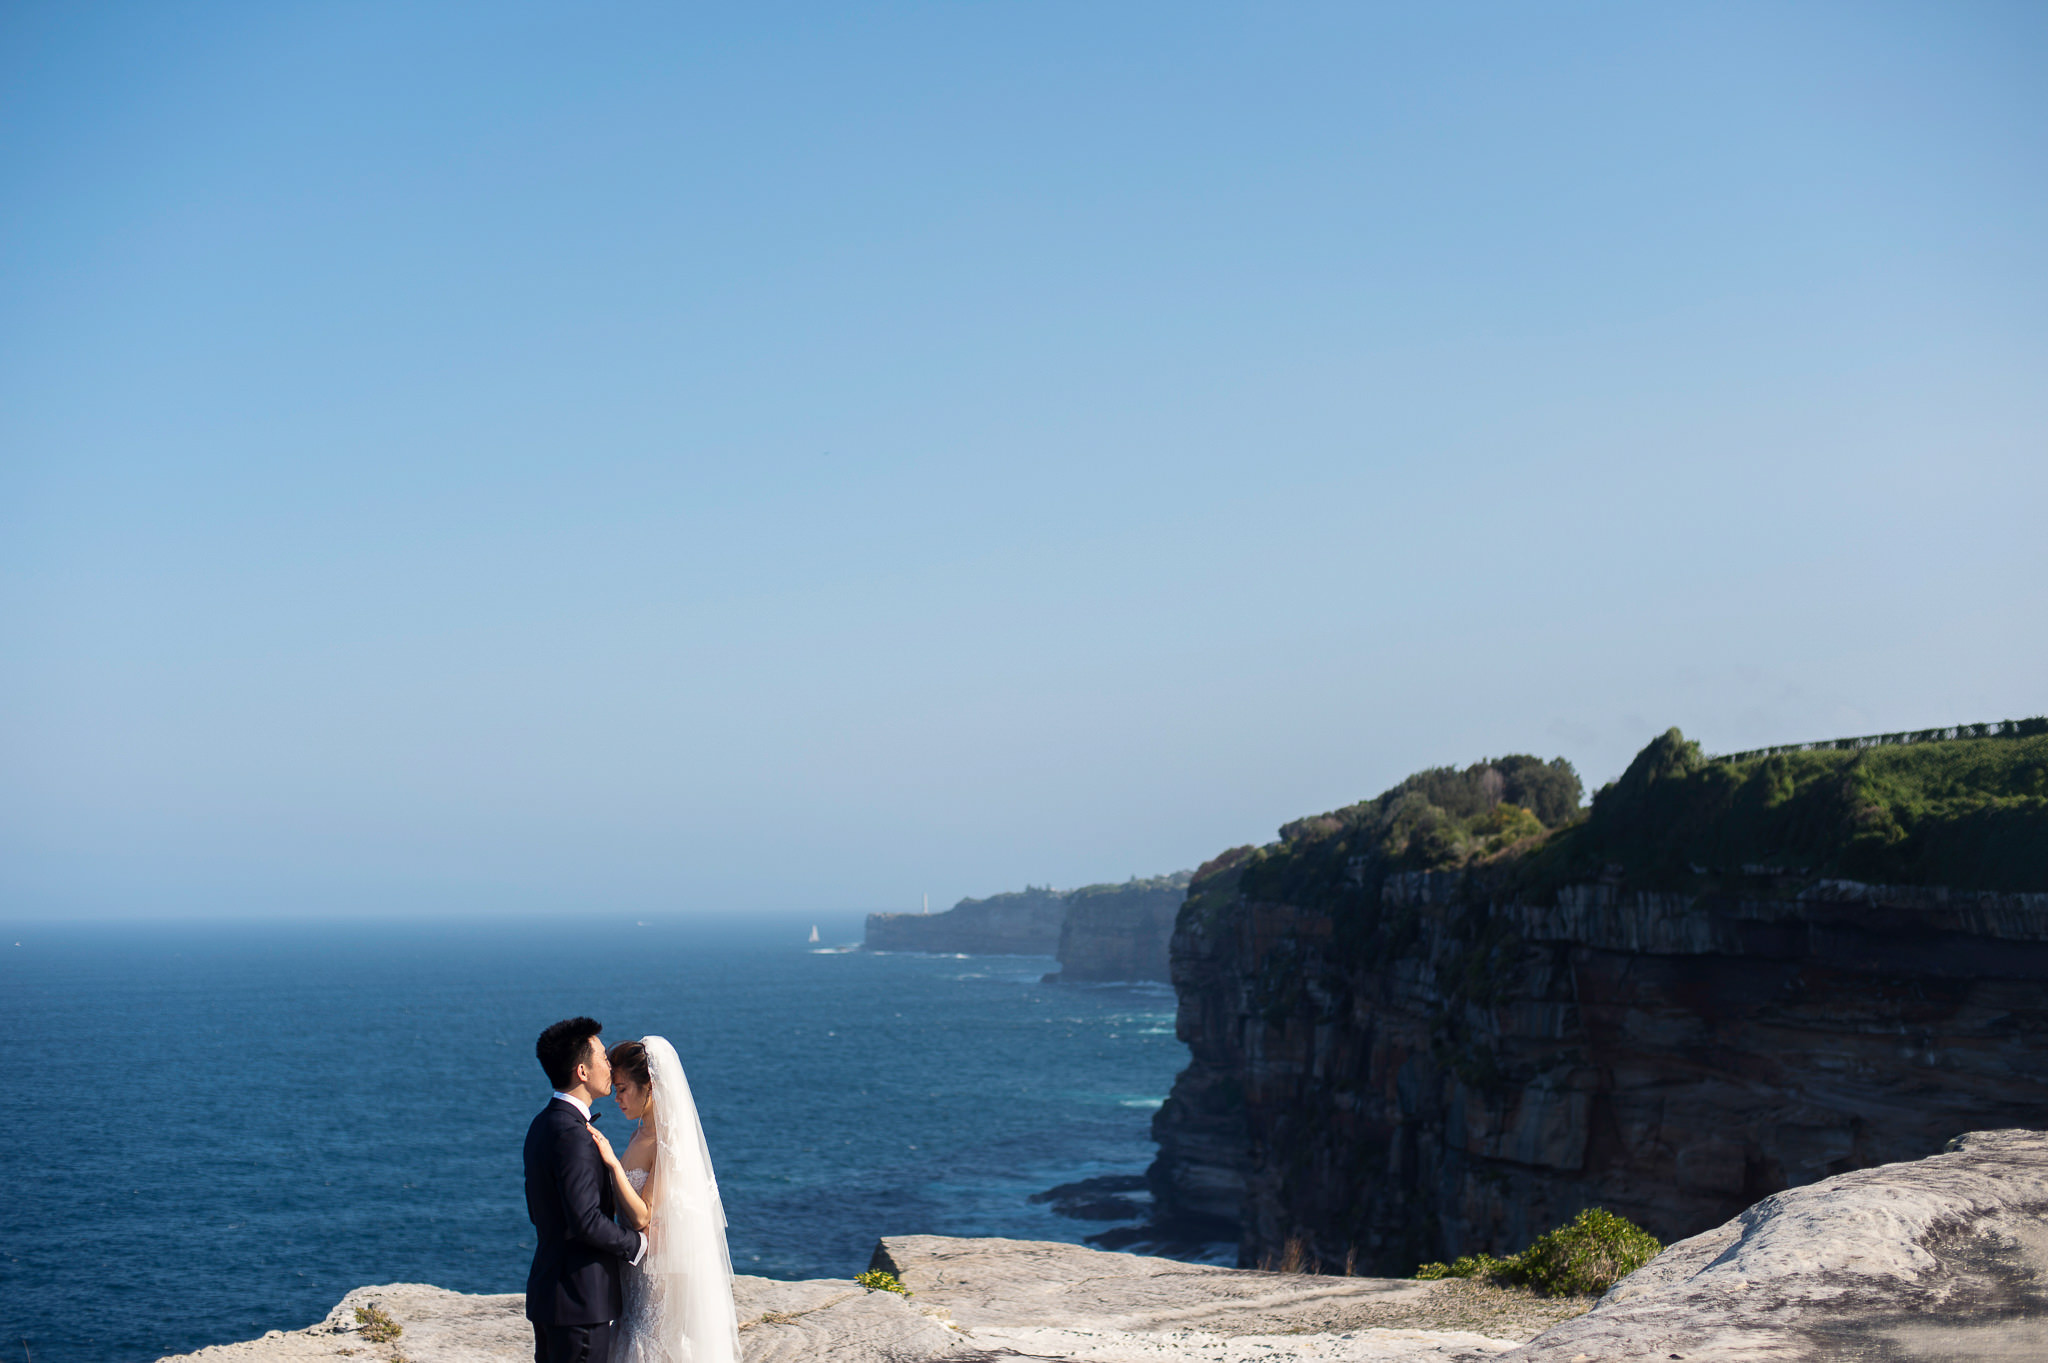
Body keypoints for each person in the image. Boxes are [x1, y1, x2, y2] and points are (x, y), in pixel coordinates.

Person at [587, 1035, 740, 1363]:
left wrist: (612, 1163)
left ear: (651, 1087)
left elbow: (644, 1215)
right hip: (633, 1268)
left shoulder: (666, 1142)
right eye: (615, 1089)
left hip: (657, 1275)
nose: (617, 1098)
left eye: (623, 1089)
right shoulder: (639, 1132)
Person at [525, 1017, 648, 1363]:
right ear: (582, 1071)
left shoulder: (543, 1124)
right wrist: (637, 1244)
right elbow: (586, 1220)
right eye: (603, 1058)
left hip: (552, 1295)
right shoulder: (572, 1135)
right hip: (579, 1305)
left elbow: (540, 1211)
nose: (611, 1065)